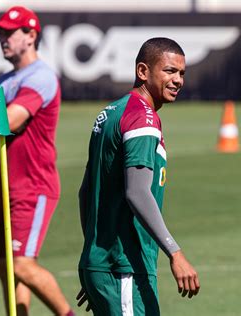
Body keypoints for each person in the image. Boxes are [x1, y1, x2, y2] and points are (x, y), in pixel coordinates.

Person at [76, 37, 200, 315]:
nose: (178, 80)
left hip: (104, 265)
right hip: (124, 266)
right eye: (169, 71)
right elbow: (138, 192)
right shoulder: (141, 118)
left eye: (182, 73)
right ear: (143, 71)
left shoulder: (111, 113)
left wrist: (94, 259)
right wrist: (175, 253)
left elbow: (86, 192)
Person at [0, 6, 74, 316]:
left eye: (9, 32)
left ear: (30, 35)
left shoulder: (41, 76)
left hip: (33, 186)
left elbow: (9, 121)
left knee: (22, 265)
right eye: (0, 32)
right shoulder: (1, 82)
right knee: (6, 268)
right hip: (2, 187)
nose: (2, 38)